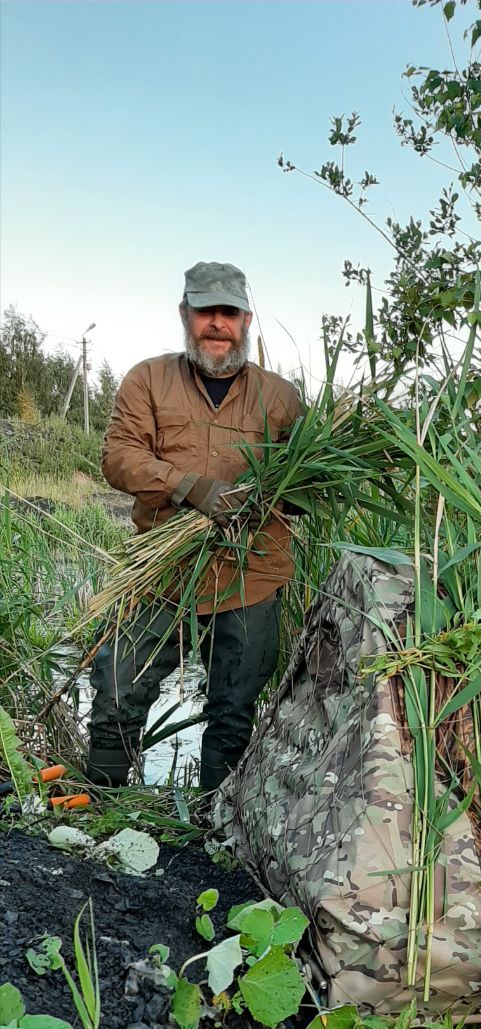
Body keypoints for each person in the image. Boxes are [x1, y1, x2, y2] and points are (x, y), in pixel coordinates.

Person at [86, 261, 301, 791]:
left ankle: (212, 835)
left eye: (228, 313)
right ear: (185, 314)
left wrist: (287, 492)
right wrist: (189, 486)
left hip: (251, 574)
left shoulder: (282, 397)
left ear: (247, 319)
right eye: (206, 311)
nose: (217, 324)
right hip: (161, 572)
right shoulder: (148, 379)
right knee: (117, 690)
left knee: (233, 713)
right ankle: (96, 811)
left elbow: (304, 491)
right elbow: (118, 457)